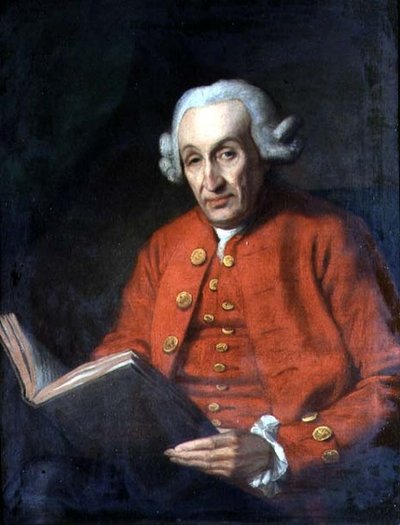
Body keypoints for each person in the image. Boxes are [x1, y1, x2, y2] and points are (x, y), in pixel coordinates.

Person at [91, 79, 400, 520]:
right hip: (170, 469)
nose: (211, 181)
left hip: (281, 489)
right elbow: (127, 351)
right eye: (194, 160)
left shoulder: (332, 235)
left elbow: (389, 380)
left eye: (227, 154)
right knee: (46, 484)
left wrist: (280, 450)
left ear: (262, 153)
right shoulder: (164, 245)